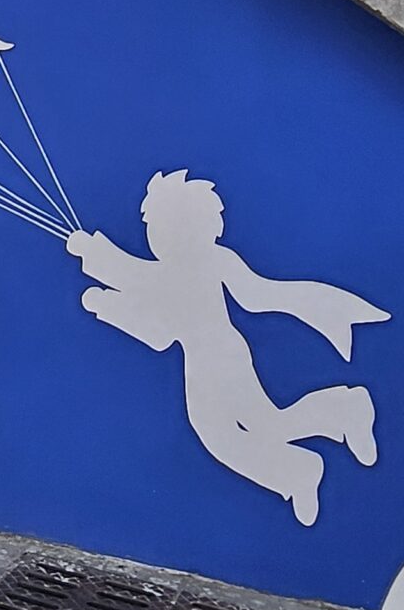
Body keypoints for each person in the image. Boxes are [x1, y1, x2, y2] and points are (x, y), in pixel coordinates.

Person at [67, 170, 389, 525]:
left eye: (157, 225)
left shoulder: (196, 263)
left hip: (212, 360)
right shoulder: (205, 262)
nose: (153, 235)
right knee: (266, 425)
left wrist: (95, 261)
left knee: (224, 438)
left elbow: (138, 283)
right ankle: (336, 420)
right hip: (221, 354)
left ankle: (304, 464)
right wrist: (102, 285)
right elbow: (154, 306)